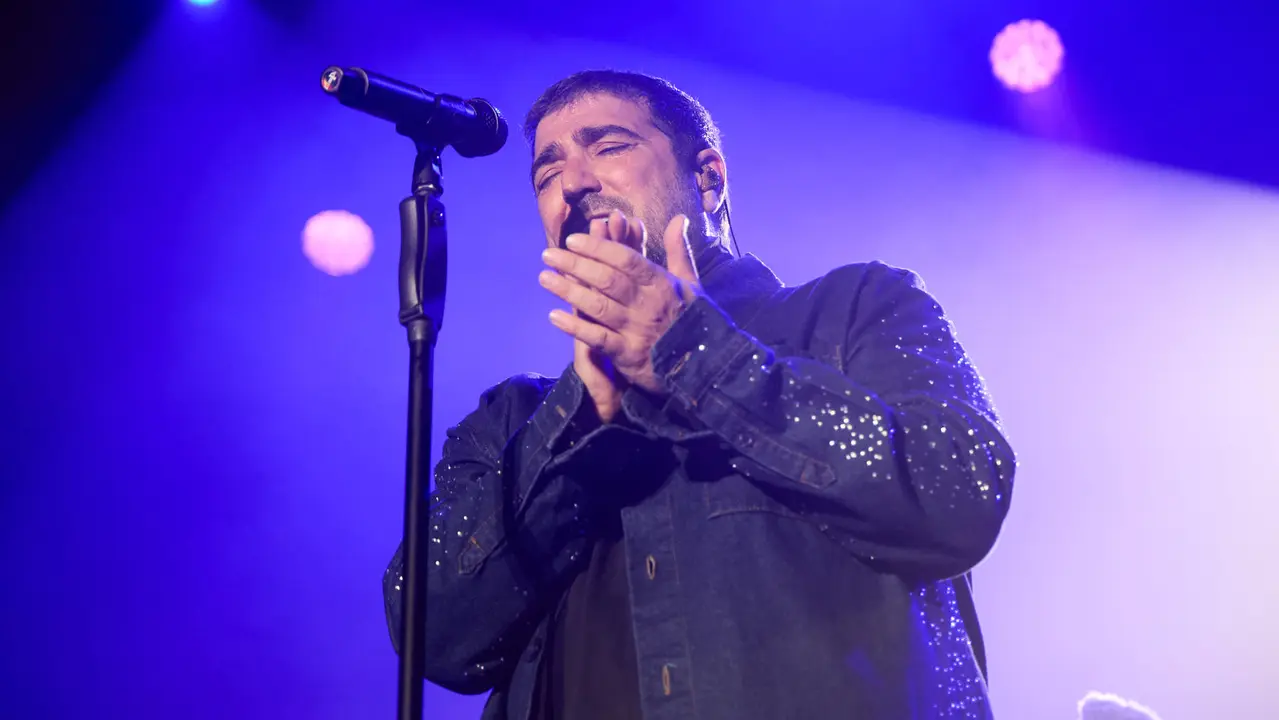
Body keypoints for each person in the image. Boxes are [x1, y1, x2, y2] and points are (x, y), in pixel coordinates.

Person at [382, 69, 1017, 720]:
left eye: (607, 146)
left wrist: (693, 356)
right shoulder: (513, 419)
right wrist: (575, 426)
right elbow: (433, 636)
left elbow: (957, 493)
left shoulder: (854, 311)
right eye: (546, 175)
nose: (571, 183)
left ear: (707, 177)